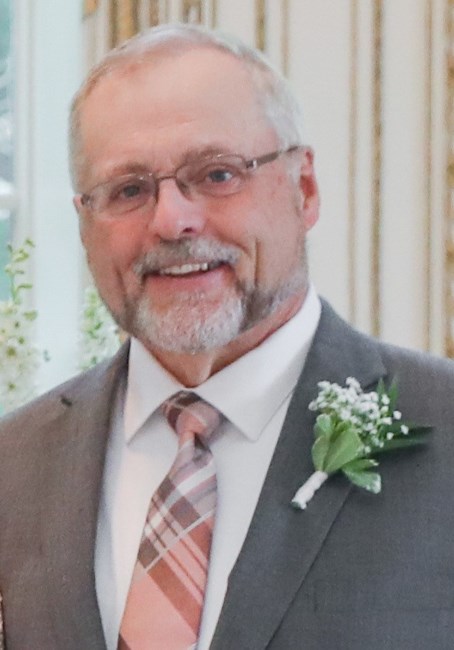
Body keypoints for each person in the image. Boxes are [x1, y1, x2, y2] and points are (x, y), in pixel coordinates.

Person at [0, 22, 453, 650]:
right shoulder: (14, 465)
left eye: (216, 174)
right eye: (128, 190)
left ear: (304, 188)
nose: (172, 220)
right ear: (84, 224)